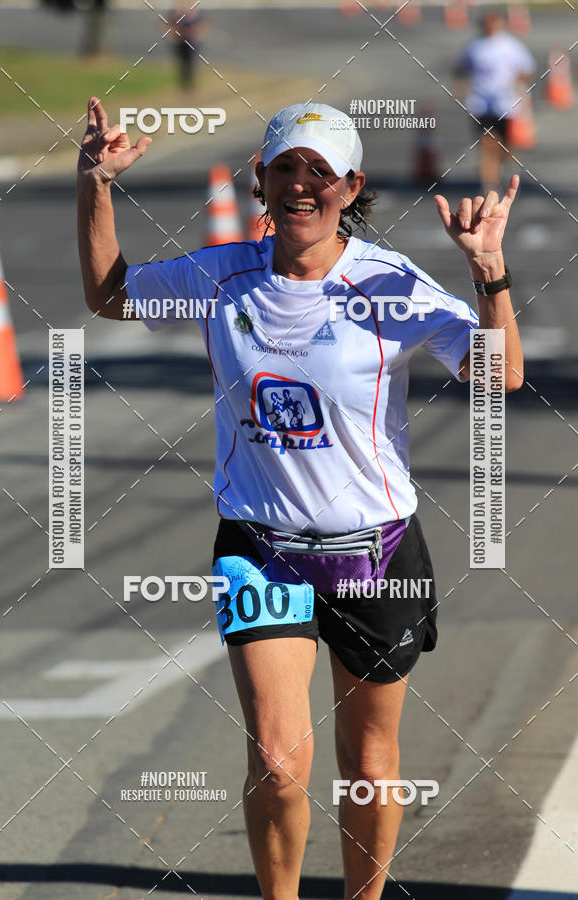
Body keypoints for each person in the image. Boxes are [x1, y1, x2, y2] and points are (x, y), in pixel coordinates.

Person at [77, 97, 523, 899]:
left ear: (352, 187)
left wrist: (490, 273)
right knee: (280, 763)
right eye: (286, 167)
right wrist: (96, 186)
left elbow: (501, 375)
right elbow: (112, 296)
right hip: (261, 547)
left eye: (322, 172)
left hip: (377, 552)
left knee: (368, 764)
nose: (302, 186)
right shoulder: (220, 277)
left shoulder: (390, 283)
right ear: (261, 180)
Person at [456, 8, 536, 192]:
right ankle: (489, 185)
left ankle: (506, 167)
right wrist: (461, 85)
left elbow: (527, 69)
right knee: (486, 142)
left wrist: (518, 84)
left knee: (505, 143)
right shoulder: (474, 46)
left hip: (505, 102)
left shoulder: (511, 46)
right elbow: (461, 67)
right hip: (481, 102)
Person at [167, 2, 209, 90]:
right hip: (180, 42)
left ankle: (190, 85)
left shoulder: (196, 14)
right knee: (182, 63)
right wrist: (173, 35)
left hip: (191, 42)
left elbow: (203, 26)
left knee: (190, 63)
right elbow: (170, 25)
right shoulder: (176, 14)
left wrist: (197, 34)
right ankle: (183, 84)